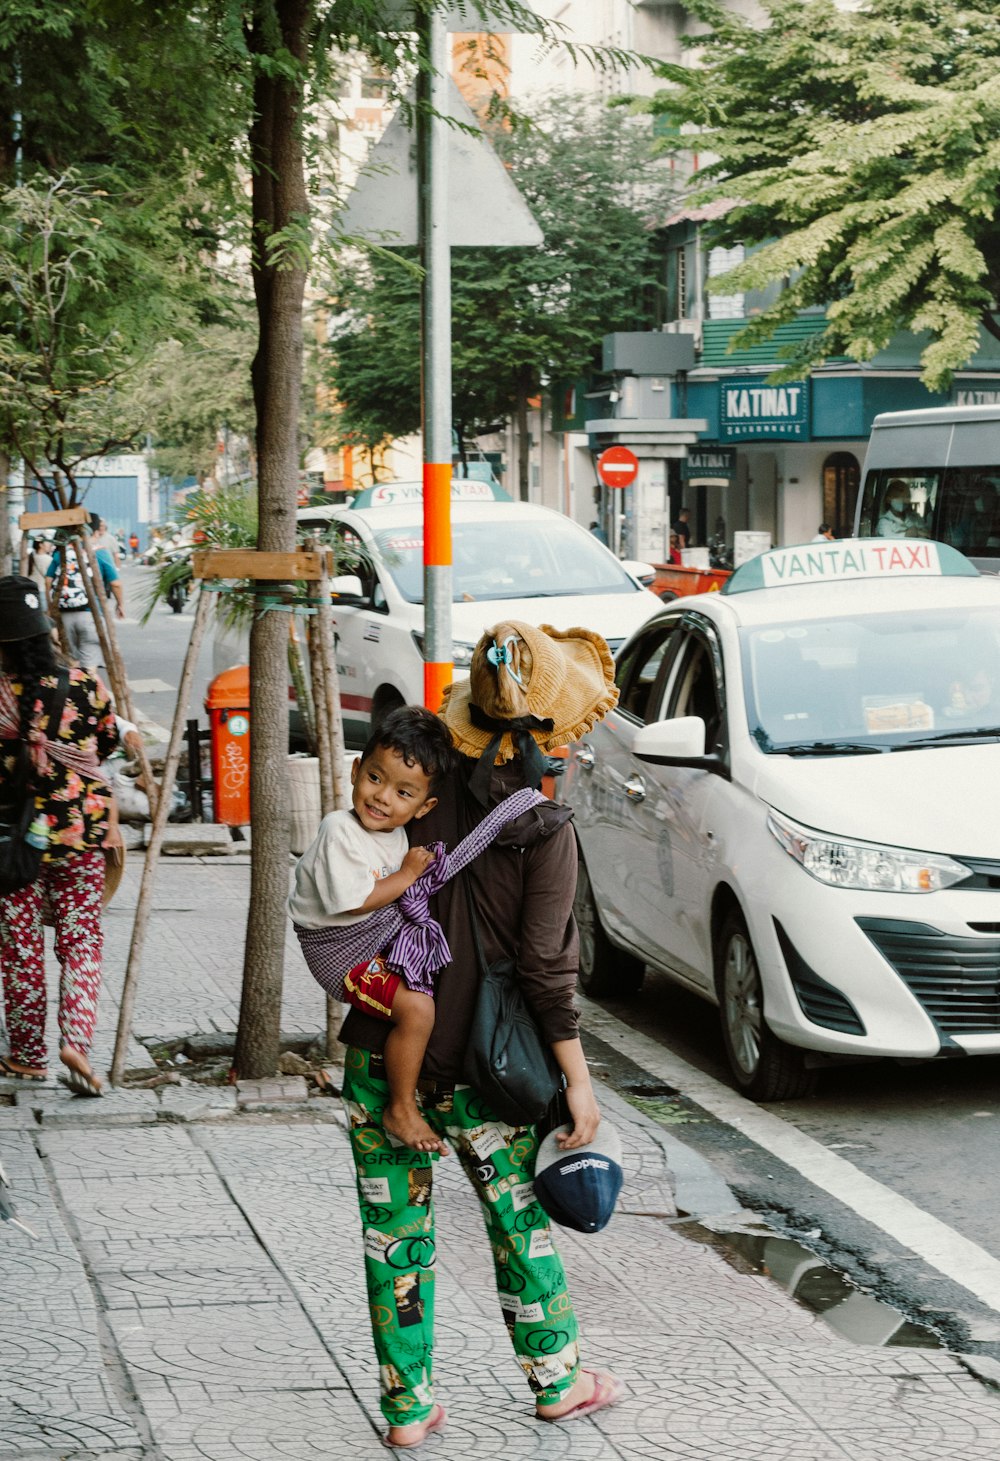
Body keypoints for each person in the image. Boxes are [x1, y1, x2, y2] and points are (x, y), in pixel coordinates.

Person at [338, 621, 623, 1447]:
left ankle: (406, 1409)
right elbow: (544, 967)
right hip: (483, 1067)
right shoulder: (545, 827)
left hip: (382, 1044)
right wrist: (577, 1077)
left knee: (394, 1238)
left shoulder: (420, 781)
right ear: (558, 737)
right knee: (515, 1217)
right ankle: (557, 1380)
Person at [292, 706, 546, 1156]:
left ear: (425, 806)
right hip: (340, 952)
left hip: (372, 936)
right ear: (356, 770)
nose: (383, 798)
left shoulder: (395, 830)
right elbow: (355, 900)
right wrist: (408, 876)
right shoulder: (339, 830)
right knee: (417, 1011)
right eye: (375, 778)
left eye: (403, 792)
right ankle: (401, 1107)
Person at [0, 575, 120, 1095]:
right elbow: (108, 743)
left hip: (15, 836)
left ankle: (28, 1055)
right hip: (79, 830)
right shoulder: (85, 684)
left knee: (20, 945)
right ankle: (77, 1039)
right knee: (80, 940)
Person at [46, 517, 126, 671]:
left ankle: (73, 692)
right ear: (95, 531)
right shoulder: (101, 552)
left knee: (70, 667)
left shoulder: (62, 552)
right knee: (89, 669)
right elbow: (115, 583)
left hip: (64, 615)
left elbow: (48, 580)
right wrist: (120, 604)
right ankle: (89, 691)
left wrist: (51, 607)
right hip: (91, 614)